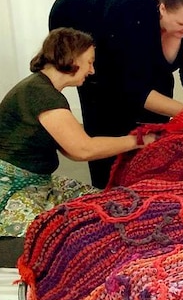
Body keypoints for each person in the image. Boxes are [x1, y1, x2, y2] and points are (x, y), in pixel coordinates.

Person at [48, 0, 183, 187]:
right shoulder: (130, 16)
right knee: (106, 100)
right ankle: (105, 185)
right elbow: (133, 89)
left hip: (128, 29)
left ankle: (147, 178)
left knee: (158, 100)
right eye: (182, 25)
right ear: (162, 9)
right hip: (81, 16)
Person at [0, 28, 155, 239]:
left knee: (105, 203)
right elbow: (82, 150)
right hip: (12, 191)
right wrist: (138, 140)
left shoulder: (40, 88)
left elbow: (71, 150)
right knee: (67, 231)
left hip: (37, 182)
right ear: (72, 58)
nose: (91, 70)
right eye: (89, 62)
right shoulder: (42, 94)